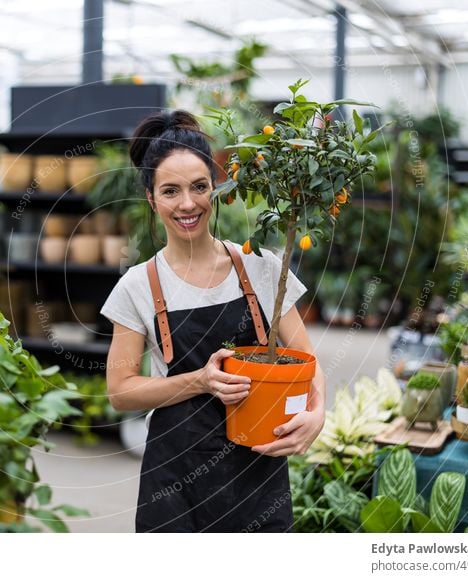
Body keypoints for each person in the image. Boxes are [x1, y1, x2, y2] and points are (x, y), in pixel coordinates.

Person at [100, 110, 326, 533]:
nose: (187, 204)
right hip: (174, 486)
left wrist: (317, 413)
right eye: (170, 191)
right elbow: (120, 391)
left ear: (217, 188)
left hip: (259, 474)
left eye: (199, 187)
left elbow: (307, 362)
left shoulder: (259, 267)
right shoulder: (138, 286)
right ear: (151, 198)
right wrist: (200, 381)